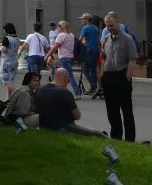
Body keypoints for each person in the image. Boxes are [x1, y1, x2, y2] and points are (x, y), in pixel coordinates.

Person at [100, 11, 139, 142]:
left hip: (122, 75)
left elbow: (133, 59)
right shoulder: (105, 39)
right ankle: (116, 137)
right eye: (107, 26)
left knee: (126, 111)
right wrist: (102, 75)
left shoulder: (127, 39)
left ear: (118, 22)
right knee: (112, 111)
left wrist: (127, 77)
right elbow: (103, 57)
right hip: (108, 77)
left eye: (111, 25)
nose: (109, 28)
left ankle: (130, 140)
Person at [34, 68, 92, 133]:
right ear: (65, 78)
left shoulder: (40, 90)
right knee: (98, 134)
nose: (68, 82)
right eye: (68, 80)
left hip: (44, 127)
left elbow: (36, 110)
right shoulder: (65, 93)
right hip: (65, 128)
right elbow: (77, 116)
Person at [0, 23, 21, 99]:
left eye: (4, 30)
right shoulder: (17, 39)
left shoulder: (7, 38)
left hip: (6, 62)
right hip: (14, 62)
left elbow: (3, 49)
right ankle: (8, 100)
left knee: (5, 80)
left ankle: (19, 94)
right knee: (10, 80)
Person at [79, 13, 102, 96]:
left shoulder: (85, 28)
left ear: (87, 19)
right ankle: (93, 88)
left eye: (83, 19)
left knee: (85, 69)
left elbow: (80, 40)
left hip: (89, 49)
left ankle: (94, 86)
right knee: (93, 69)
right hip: (97, 49)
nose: (82, 20)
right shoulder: (95, 28)